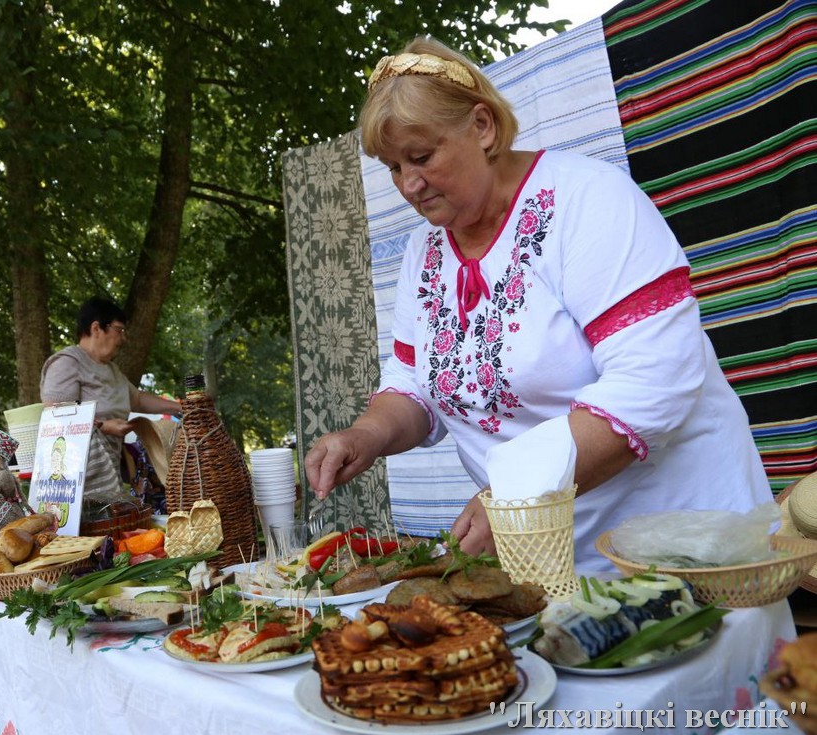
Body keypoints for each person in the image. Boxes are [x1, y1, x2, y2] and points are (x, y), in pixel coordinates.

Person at [304, 39, 772, 574]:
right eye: (392, 167)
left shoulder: (589, 202)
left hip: (677, 547)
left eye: (421, 156)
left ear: (481, 127)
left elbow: (653, 382)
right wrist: (367, 434)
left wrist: (513, 496)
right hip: (538, 555)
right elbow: (414, 382)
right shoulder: (424, 252)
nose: (408, 185)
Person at [39, 297, 181, 497]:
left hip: (107, 476)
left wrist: (180, 407)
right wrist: (105, 427)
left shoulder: (113, 371)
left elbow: (138, 399)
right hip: (74, 484)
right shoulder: (67, 363)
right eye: (119, 330)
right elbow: (56, 416)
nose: (124, 338)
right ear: (96, 328)